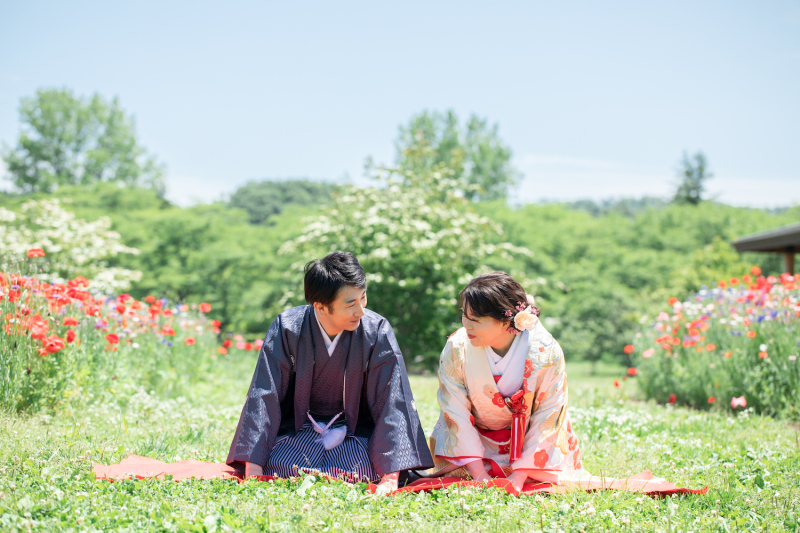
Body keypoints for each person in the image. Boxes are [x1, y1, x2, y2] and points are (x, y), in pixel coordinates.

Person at [227, 251, 433, 492]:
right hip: (299, 429)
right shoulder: (288, 327)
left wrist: (390, 475)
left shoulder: (376, 330)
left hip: (354, 431)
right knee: (280, 465)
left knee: (364, 471)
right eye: (350, 304)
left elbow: (392, 399)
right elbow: (265, 393)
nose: (361, 311)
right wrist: (254, 466)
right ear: (321, 306)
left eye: (363, 298)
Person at [428, 271, 584, 493]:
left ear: (505, 321)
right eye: (464, 315)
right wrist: (479, 475)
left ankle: (525, 468)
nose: (466, 325)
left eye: (475, 320)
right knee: (463, 469)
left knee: (538, 474)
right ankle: (476, 465)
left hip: (529, 439)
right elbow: (454, 409)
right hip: (477, 441)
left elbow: (549, 411)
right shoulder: (457, 347)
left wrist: (519, 477)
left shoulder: (545, 351)